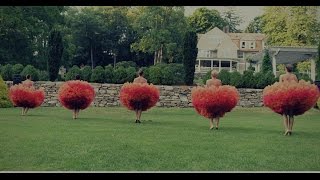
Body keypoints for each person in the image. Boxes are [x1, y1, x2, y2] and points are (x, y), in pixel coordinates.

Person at [279, 64, 298, 136]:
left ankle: (286, 129)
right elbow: (297, 86)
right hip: (293, 97)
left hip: (284, 96)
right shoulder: (294, 76)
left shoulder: (282, 76)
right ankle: (290, 130)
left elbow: (280, 86)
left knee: (284, 114)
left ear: (286, 69)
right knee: (291, 115)